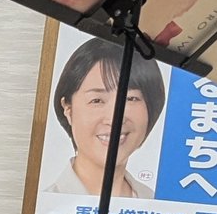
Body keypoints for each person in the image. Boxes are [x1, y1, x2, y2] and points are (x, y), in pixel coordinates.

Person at [45, 37, 166, 199]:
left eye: (131, 98)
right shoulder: (46, 205)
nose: (115, 119)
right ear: (68, 108)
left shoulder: (157, 204)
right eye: (97, 100)